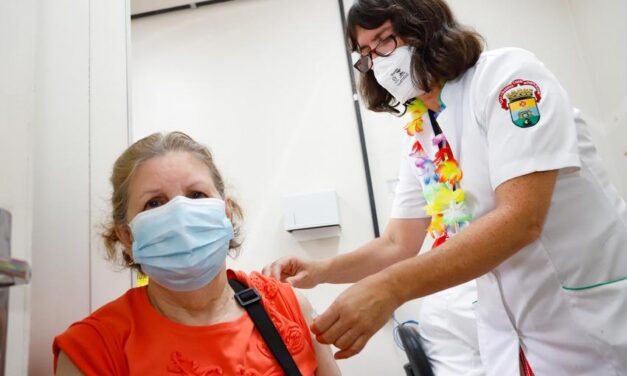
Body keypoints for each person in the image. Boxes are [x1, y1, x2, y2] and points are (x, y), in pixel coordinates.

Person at [269, 0, 627, 375]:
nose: (378, 63)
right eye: (366, 54)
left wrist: (390, 288)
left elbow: (521, 219)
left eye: (385, 41)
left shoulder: (507, 78)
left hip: (591, 322)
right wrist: (320, 270)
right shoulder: (421, 133)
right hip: (518, 339)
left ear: (425, 27)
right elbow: (397, 243)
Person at [53, 132, 340, 376]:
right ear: (127, 236)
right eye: (154, 203)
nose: (181, 215)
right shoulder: (94, 348)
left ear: (226, 213)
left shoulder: (288, 307)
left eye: (196, 195)